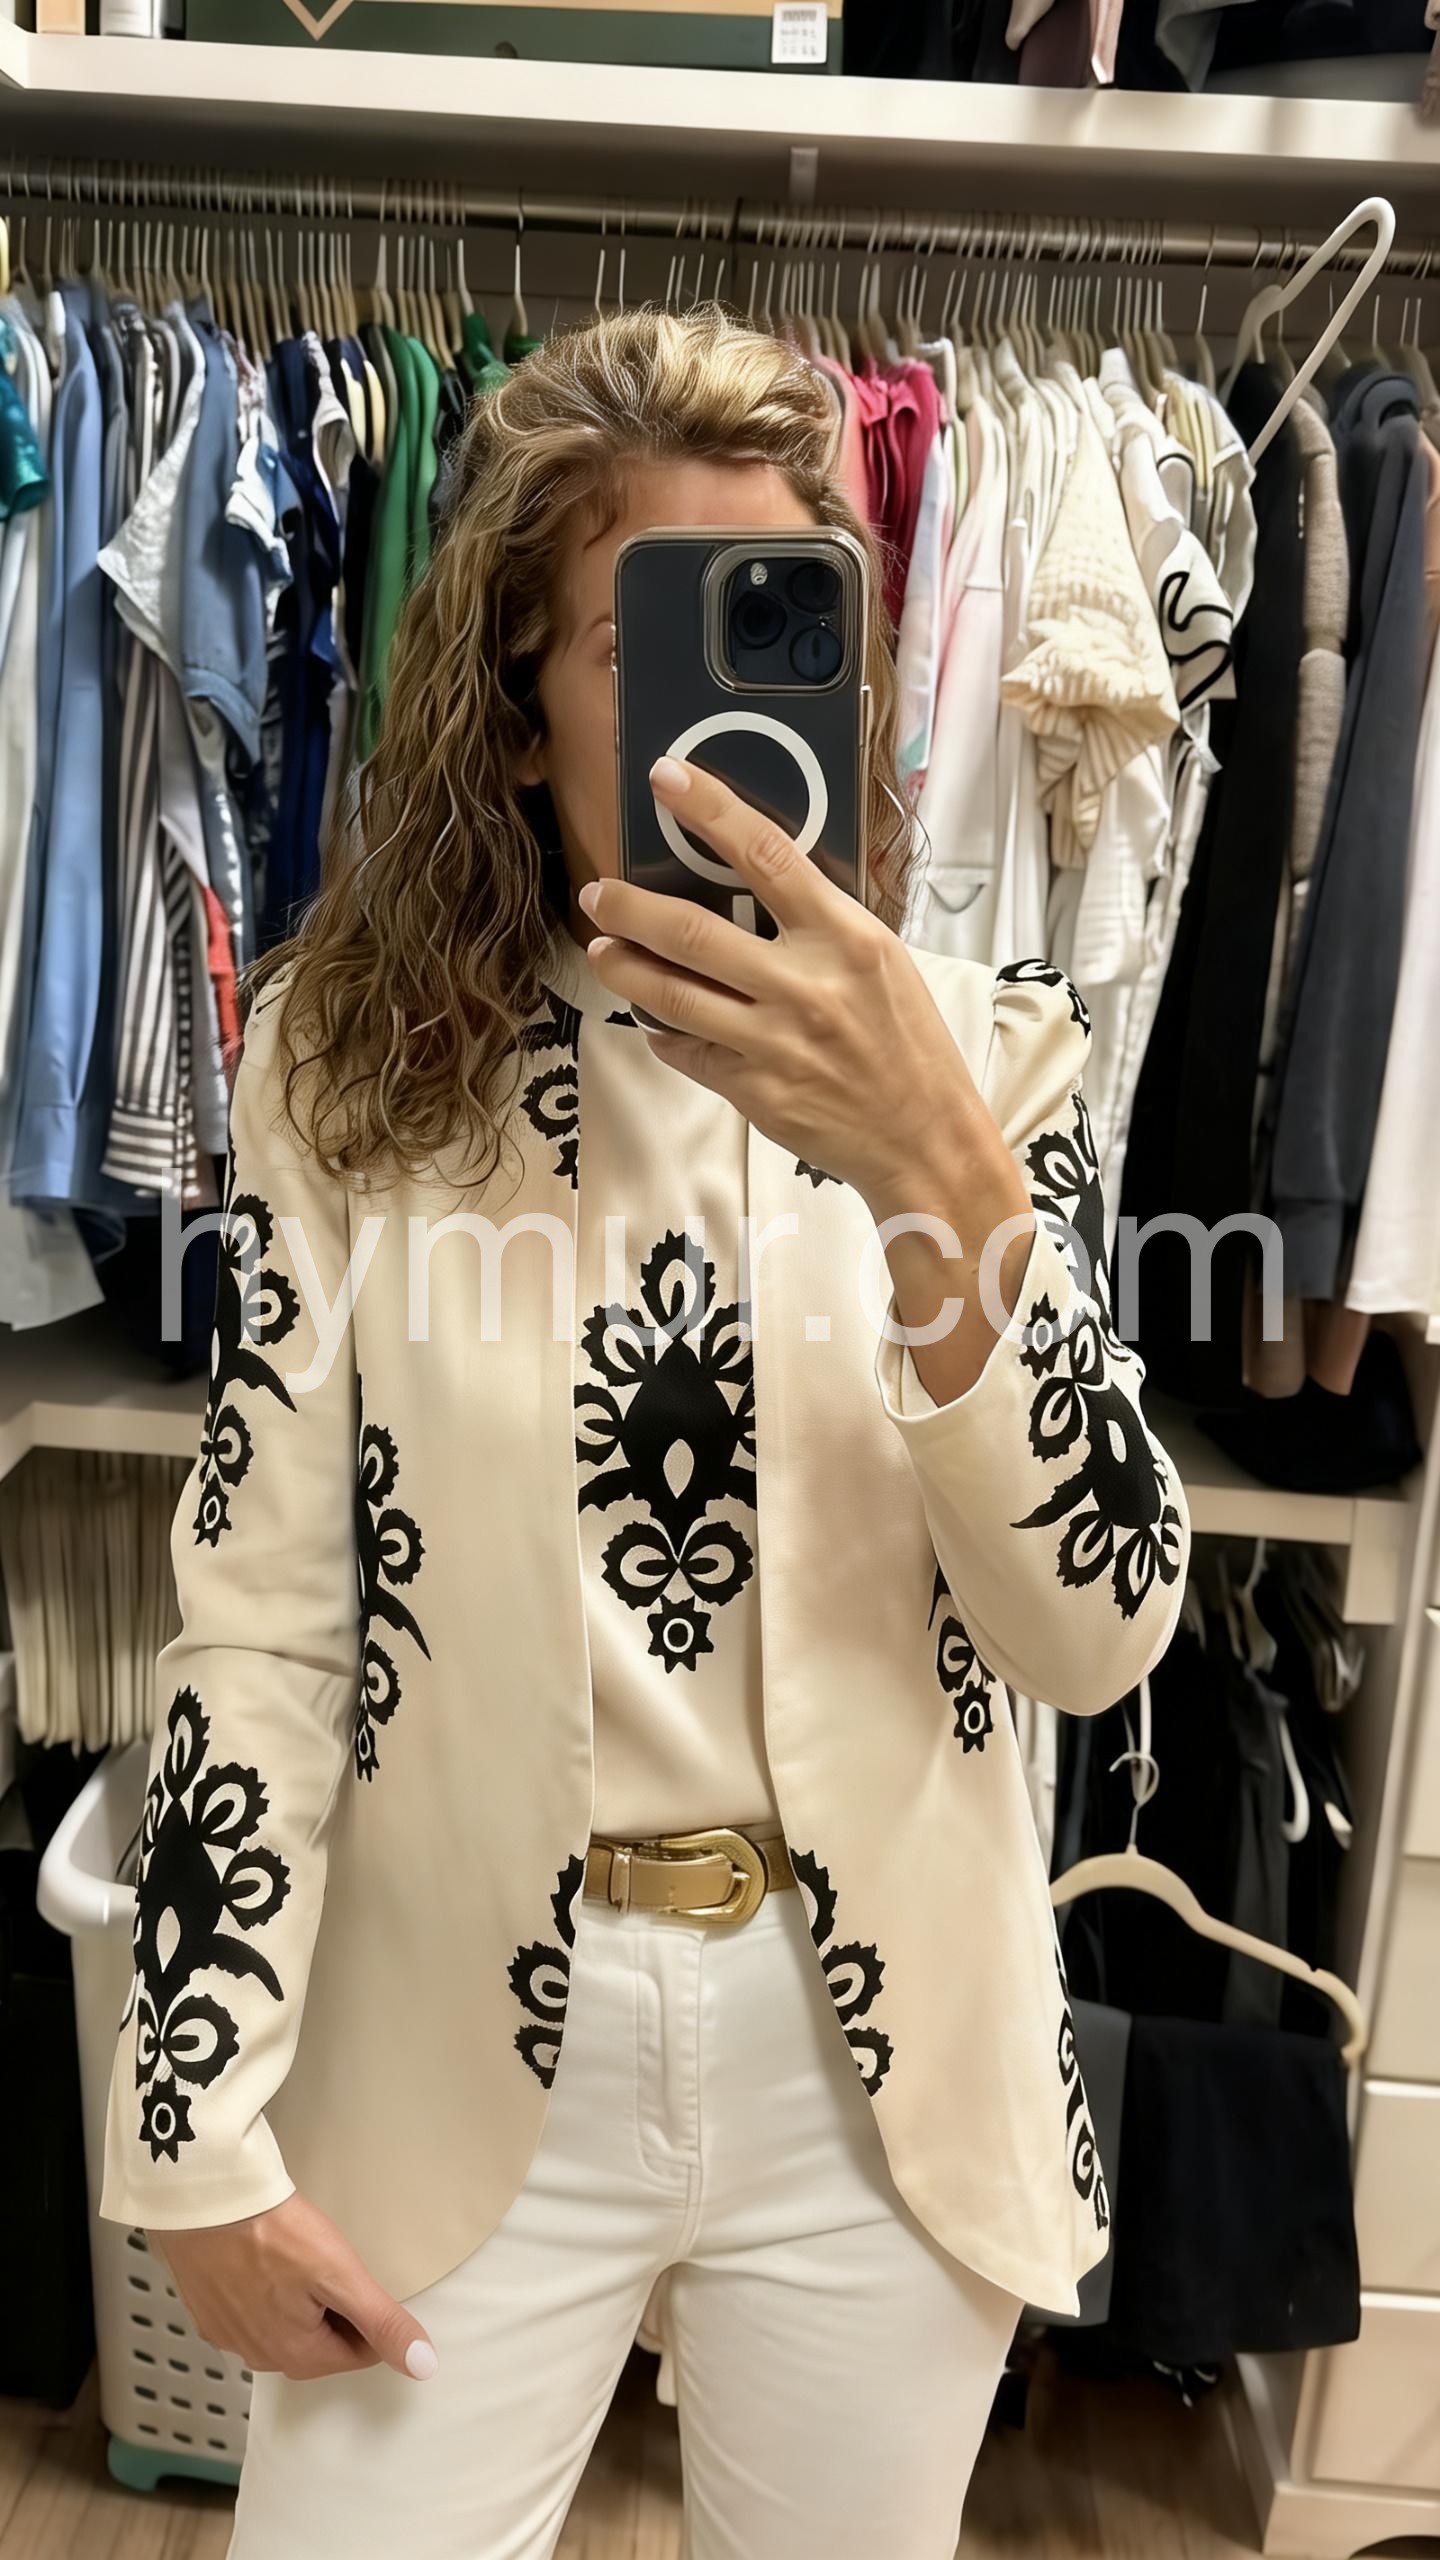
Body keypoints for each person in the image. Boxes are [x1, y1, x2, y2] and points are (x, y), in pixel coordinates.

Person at [98, 303, 1190, 2559]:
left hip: (874, 2075)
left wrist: (931, 1164)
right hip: (453, 2038)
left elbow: (1097, 1633)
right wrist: (188, 2113)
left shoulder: (988, 1060)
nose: (736, 704)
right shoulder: (346, 1074)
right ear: (521, 712)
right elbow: (267, 1621)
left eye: (793, 619)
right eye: (653, 632)